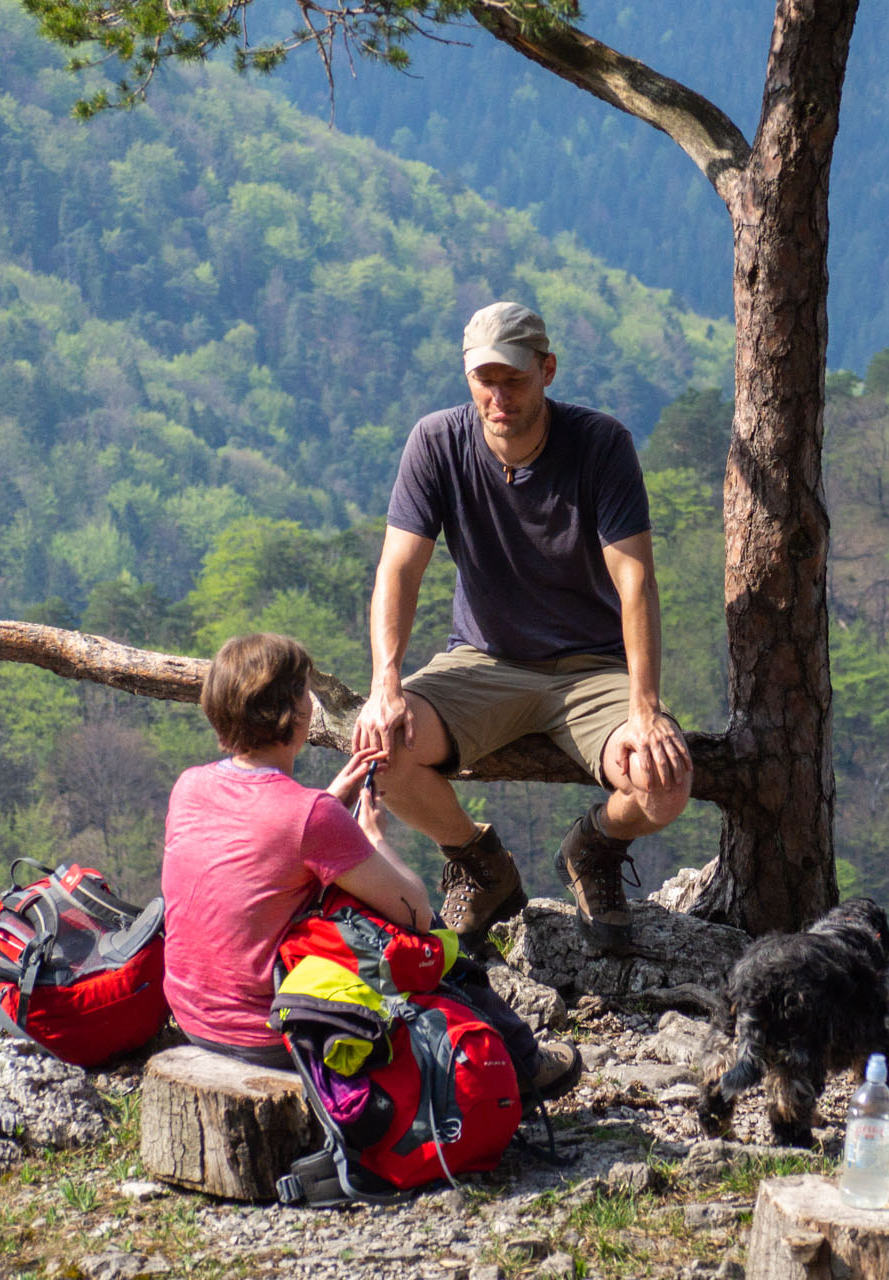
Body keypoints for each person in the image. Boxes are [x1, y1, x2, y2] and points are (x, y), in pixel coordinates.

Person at [354, 302, 692, 957]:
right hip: (481, 660)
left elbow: (636, 583)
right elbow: (396, 570)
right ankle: (481, 865)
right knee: (380, 751)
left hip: (593, 667)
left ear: (548, 371)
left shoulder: (600, 445)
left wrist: (645, 706)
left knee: (665, 784)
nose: (498, 396)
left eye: (513, 379)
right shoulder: (438, 442)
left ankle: (594, 846)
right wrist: (385, 683)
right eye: (485, 379)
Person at [162, 631, 581, 1102]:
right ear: (294, 714)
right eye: (305, 693)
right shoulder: (308, 817)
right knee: (427, 939)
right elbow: (416, 912)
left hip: (194, 1019)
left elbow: (265, 845)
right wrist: (371, 836)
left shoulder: (189, 787)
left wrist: (329, 807)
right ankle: (524, 1065)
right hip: (270, 1035)